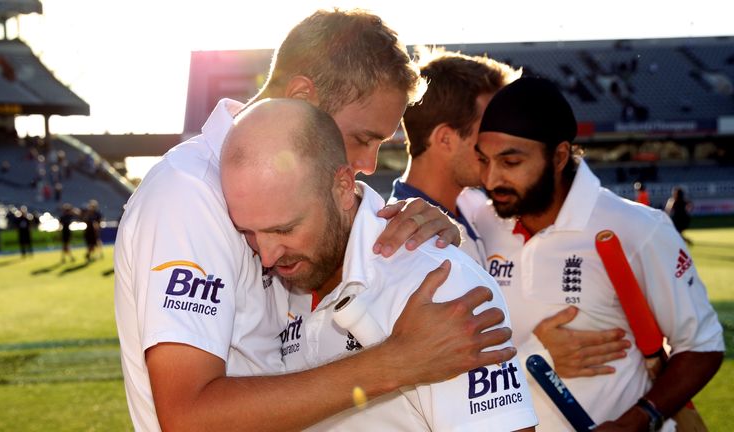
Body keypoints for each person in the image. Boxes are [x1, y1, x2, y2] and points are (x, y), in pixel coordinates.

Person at [114, 9, 516, 432]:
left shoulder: (281, 190)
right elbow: (189, 416)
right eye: (363, 138)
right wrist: (399, 360)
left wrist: (420, 230)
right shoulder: (190, 193)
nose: (366, 163)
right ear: (304, 97)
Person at [222, 98, 538, 431]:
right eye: (248, 231)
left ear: (343, 187)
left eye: (284, 229)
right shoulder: (267, 274)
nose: (268, 255)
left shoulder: (440, 283)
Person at [469, 77, 723, 430]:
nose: (491, 178)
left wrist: (638, 419)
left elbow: (703, 345)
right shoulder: (479, 221)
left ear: (558, 156)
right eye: (483, 160)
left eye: (510, 162)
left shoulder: (637, 227)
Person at [390, 47, 520, 266]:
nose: (501, 142)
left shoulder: (472, 203)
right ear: (446, 139)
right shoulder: (410, 240)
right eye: (488, 128)